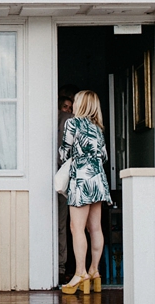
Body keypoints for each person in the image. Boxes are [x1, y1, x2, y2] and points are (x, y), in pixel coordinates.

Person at [59, 90, 111, 296]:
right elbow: (104, 156)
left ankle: (80, 273)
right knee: (95, 228)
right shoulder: (98, 128)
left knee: (76, 227)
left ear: (81, 104)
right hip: (98, 178)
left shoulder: (72, 123)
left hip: (81, 178)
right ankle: (94, 271)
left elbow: (64, 153)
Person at [56, 92, 75, 282]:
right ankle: (60, 267)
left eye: (71, 108)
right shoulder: (67, 122)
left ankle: (61, 266)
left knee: (62, 223)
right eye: (65, 107)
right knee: (61, 223)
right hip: (60, 176)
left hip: (61, 178)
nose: (68, 112)